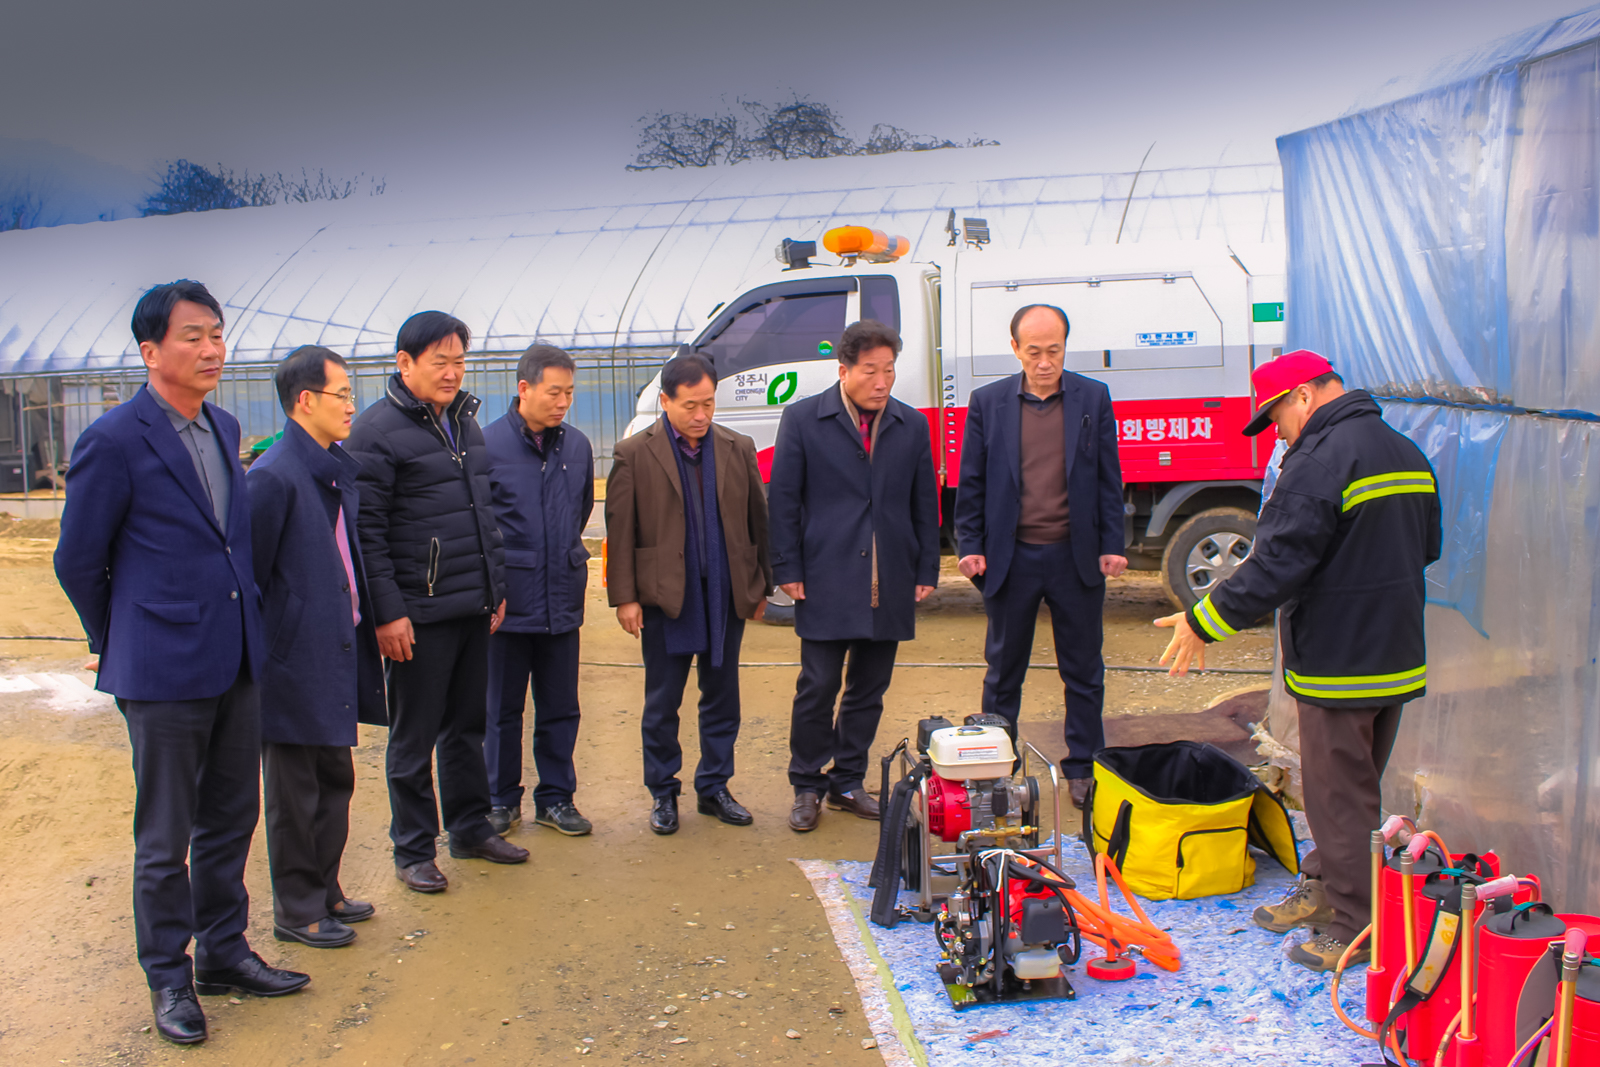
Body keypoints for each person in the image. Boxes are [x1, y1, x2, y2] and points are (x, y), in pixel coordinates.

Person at [54, 281, 308, 1047]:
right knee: (165, 835)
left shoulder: (224, 425)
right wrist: (122, 636)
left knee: (232, 816)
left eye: (218, 335)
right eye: (193, 335)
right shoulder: (115, 438)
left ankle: (224, 954)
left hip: (235, 658)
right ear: (151, 350)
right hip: (160, 669)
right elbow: (77, 559)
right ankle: (169, 974)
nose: (210, 349)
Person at [1156, 351, 1441, 972]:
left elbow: (1276, 563)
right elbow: (1430, 545)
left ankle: (1358, 926)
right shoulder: (1406, 451)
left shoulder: (1315, 462)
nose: (1279, 434)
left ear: (1305, 396)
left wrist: (1203, 621)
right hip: (1395, 654)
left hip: (1339, 660)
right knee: (1353, 787)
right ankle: (1325, 884)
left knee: (1342, 799)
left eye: (1277, 417)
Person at [345, 310, 526, 893]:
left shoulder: (465, 423)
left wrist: (494, 589)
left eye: (459, 360)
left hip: (471, 604)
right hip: (417, 614)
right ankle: (413, 847)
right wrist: (388, 612)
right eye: (439, 361)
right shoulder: (375, 432)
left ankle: (471, 828)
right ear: (405, 364)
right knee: (413, 733)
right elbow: (365, 532)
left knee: (466, 726)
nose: (452, 372)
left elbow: (483, 513)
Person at [767, 320, 940, 832]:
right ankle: (806, 783)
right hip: (823, 573)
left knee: (869, 687)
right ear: (843, 370)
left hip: (889, 576)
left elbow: (923, 504)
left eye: (888, 370)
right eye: (870, 371)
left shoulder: (910, 425)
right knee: (817, 685)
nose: (881, 381)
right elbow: (784, 501)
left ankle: (847, 780)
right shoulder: (803, 419)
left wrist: (925, 565)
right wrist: (787, 568)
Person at [955, 303, 1127, 809]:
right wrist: (971, 546)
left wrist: (1112, 544)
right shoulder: (989, 403)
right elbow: (973, 482)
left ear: (1065, 347)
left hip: (1076, 558)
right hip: (1013, 559)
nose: (1045, 361)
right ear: (1015, 349)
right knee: (1004, 669)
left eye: (1054, 350)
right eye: (1034, 352)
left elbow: (1107, 478)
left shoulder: (1093, 398)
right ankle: (997, 767)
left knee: (1083, 669)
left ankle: (1082, 766)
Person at [247, 346, 386, 948]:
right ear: (305, 401)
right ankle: (296, 909)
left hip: (336, 648)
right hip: (293, 661)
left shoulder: (331, 469)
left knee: (334, 780)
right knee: (294, 793)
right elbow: (251, 580)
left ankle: (325, 889)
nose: (352, 405)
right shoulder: (274, 477)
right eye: (342, 395)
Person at [604, 353, 773, 835]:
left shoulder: (737, 447)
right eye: (690, 406)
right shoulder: (635, 452)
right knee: (663, 701)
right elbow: (621, 529)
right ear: (665, 402)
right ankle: (663, 791)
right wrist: (626, 597)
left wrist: (761, 583)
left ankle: (714, 786)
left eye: (709, 404)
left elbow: (757, 520)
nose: (700, 416)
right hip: (665, 597)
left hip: (724, 592)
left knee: (722, 696)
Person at [482, 344, 595, 837]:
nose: (563, 402)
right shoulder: (486, 447)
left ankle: (556, 798)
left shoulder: (577, 447)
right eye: (554, 392)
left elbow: (581, 510)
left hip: (561, 597)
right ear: (524, 388)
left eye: (569, 393)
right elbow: (481, 526)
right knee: (502, 710)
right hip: (508, 604)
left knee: (560, 707)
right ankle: (500, 800)